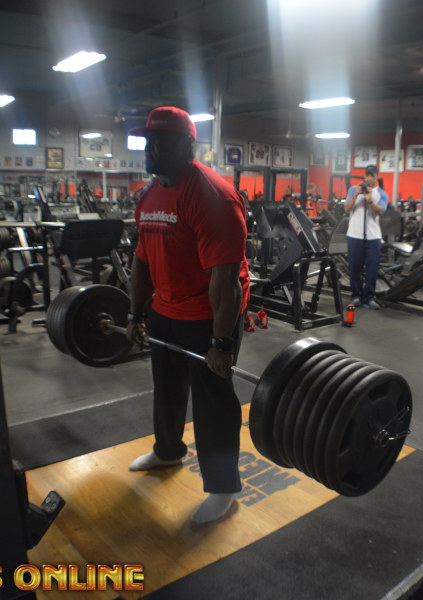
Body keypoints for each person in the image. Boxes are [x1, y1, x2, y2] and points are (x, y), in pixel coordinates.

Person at [125, 106, 251, 524]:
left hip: (209, 313)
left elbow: (226, 281)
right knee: (166, 389)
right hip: (166, 308)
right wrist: (136, 314)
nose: (150, 148)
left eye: (159, 141)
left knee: (212, 402)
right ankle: (167, 451)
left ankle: (223, 487)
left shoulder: (213, 196)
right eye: (147, 141)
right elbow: (142, 260)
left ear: (185, 145)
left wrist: (221, 343)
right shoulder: (149, 196)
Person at [344, 164, 389, 309]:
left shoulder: (381, 194)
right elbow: (346, 208)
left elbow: (380, 210)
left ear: (376, 177)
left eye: (372, 175)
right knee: (354, 267)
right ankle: (356, 296)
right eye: (367, 175)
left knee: (372, 268)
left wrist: (370, 200)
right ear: (364, 176)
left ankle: (369, 298)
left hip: (373, 236)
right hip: (354, 234)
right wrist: (356, 194)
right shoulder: (353, 189)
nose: (369, 178)